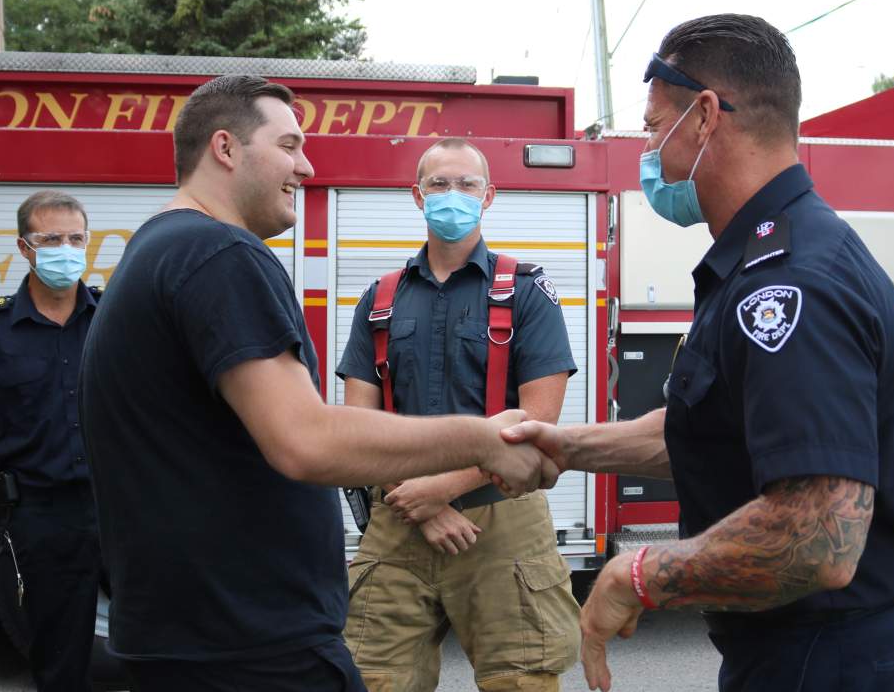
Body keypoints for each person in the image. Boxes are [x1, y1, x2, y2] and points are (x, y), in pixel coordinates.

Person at [501, 14, 894, 692]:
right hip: (806, 655)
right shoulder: (761, 259)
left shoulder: (789, 282)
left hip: (831, 659)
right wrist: (568, 445)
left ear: (706, 116)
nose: (647, 152)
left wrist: (642, 572)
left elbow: (817, 536)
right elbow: (716, 429)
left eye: (654, 128)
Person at [79, 75, 555, 692]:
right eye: (289, 145)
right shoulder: (221, 255)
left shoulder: (160, 248)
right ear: (225, 148)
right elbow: (310, 438)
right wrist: (481, 440)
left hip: (197, 632)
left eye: (467, 183)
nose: (307, 166)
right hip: (247, 641)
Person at [336, 138, 581, 692]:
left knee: (522, 678)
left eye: (467, 184)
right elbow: (358, 430)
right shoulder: (379, 299)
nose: (453, 196)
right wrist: (421, 505)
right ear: (417, 197)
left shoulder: (527, 292)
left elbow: (538, 425)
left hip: (501, 520)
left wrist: (441, 490)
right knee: (373, 680)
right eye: (439, 184)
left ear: (488, 196)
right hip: (400, 518)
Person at [0, 190, 102, 691]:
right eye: (51, 238)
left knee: (167, 649)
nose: (66, 249)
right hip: (42, 517)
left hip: (127, 508)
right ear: (24, 248)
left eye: (75, 238)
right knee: (58, 662)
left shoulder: (118, 320)